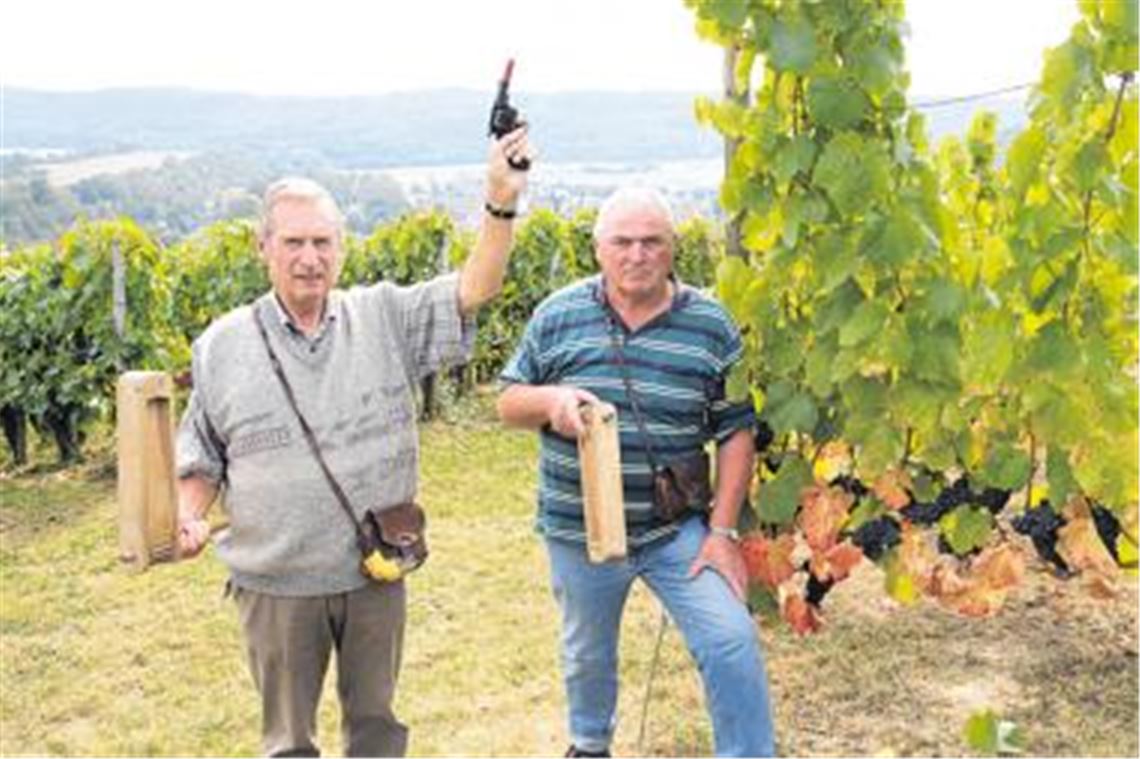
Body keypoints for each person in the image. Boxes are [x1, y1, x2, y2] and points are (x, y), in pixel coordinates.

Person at [175, 128, 533, 757]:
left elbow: (475, 288)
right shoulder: (222, 345)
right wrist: (187, 515)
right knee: (288, 742)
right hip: (276, 582)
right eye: (293, 242)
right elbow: (202, 454)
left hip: (376, 572)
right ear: (264, 248)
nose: (308, 257)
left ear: (341, 248)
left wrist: (500, 202)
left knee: (376, 731)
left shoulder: (384, 317)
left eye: (322, 242)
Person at [497, 187, 776, 757]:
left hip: (675, 533)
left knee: (730, 640)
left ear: (673, 249)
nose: (637, 254)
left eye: (652, 242)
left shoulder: (711, 324)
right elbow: (508, 402)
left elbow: (736, 431)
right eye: (622, 242)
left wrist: (722, 533)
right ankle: (590, 745)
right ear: (598, 249)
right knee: (586, 654)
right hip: (581, 533)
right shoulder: (558, 315)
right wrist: (552, 402)